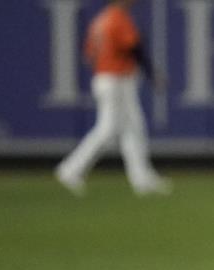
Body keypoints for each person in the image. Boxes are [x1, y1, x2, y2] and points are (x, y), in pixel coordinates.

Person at [55, 0, 171, 197]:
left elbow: (89, 54)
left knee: (133, 128)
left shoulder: (100, 20)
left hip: (107, 78)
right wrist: (152, 74)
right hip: (116, 80)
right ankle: (70, 169)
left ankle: (141, 178)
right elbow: (134, 49)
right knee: (108, 129)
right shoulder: (118, 19)